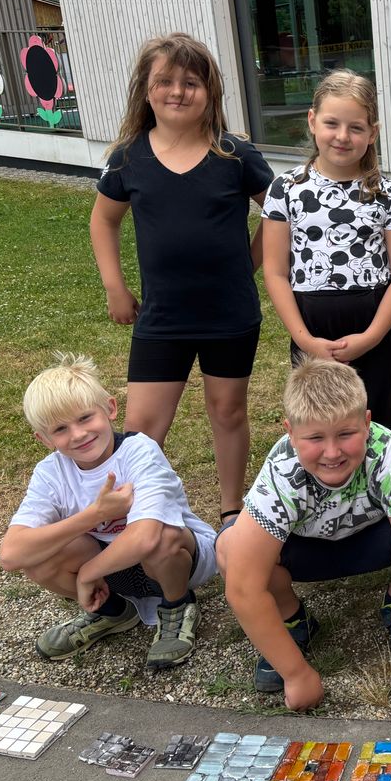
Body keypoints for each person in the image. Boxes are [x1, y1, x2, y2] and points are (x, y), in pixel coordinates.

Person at [90, 32, 273, 520]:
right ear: (146, 91)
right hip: (162, 317)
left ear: (209, 90)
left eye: (190, 82)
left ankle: (232, 509)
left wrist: (247, 264)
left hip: (230, 315)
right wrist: (115, 286)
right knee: (143, 426)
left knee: (228, 411)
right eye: (165, 81)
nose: (177, 91)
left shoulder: (235, 154)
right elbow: (104, 220)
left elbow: (280, 217)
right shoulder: (129, 156)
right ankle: (144, 512)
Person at [214, 358, 391, 710]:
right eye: (314, 438)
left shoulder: (387, 453)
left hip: (374, 540)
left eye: (345, 434)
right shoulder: (282, 471)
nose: (332, 452)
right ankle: (293, 618)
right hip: (302, 552)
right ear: (290, 433)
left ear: (367, 423)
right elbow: (243, 586)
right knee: (229, 549)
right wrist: (297, 675)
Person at [0, 353, 216, 669]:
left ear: (110, 409)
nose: (78, 434)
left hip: (178, 562)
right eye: (60, 429)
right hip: (113, 568)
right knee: (38, 557)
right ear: (43, 439)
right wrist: (95, 513)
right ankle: (112, 611)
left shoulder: (139, 451)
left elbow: (145, 538)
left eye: (85, 418)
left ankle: (177, 606)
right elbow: (11, 554)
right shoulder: (50, 472)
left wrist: (89, 572)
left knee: (162, 536)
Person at [261, 69, 391, 434]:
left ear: (372, 132)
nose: (343, 137)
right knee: (319, 425)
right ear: (313, 121)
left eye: (356, 127)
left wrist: (373, 335)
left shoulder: (389, 195)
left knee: (376, 426)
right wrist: (304, 339)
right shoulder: (285, 189)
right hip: (311, 326)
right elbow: (275, 271)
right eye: (332, 123)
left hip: (377, 328)